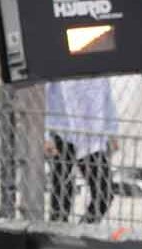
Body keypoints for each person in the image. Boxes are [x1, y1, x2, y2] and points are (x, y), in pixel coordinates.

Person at [45, 75, 117, 224]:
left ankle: (83, 229)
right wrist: (46, 135)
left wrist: (112, 131)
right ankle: (58, 231)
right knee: (62, 195)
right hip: (63, 133)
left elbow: (107, 96)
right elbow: (44, 95)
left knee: (105, 192)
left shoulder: (99, 65)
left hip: (91, 135)